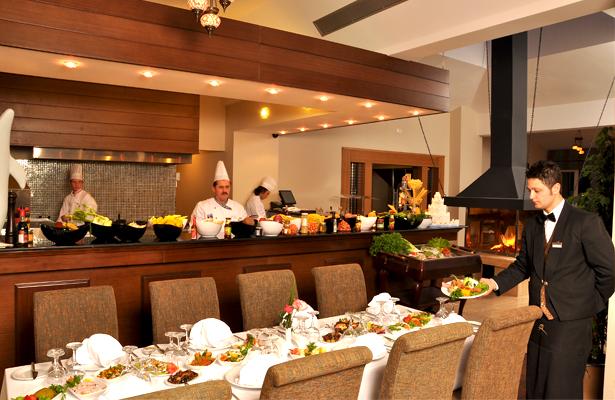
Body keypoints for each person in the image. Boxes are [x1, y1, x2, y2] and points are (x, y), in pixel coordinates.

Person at [480, 160, 614, 399]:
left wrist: (589, 304)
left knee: (561, 389)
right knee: (535, 383)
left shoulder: (586, 222)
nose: (531, 196)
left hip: (571, 323)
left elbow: (610, 270)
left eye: (537, 190)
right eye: (529, 190)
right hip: (537, 319)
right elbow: (523, 265)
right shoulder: (532, 225)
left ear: (556, 188)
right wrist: (494, 283)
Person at [190, 160, 254, 239]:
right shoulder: (202, 206)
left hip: (234, 244)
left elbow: (247, 228)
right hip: (208, 243)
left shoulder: (238, 207)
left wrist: (250, 222)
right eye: (221, 187)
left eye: (227, 187)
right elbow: (193, 228)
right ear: (213, 189)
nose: (224, 190)